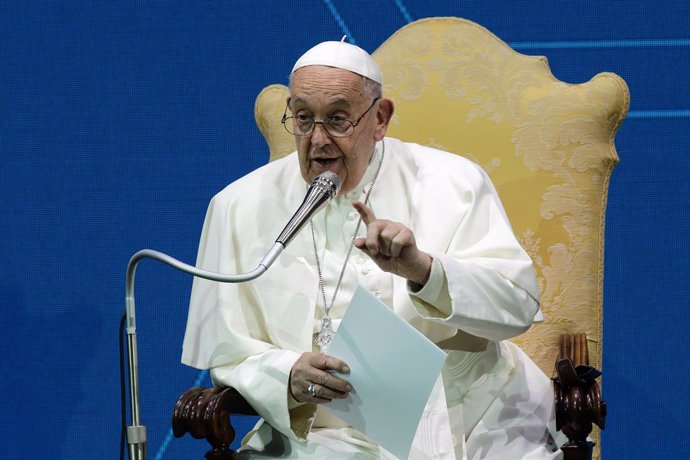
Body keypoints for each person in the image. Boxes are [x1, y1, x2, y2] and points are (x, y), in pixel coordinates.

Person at [182, 40, 564, 459]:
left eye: (338, 119)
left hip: (472, 416)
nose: (318, 140)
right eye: (304, 119)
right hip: (323, 431)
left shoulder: (455, 183)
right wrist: (285, 373)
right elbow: (226, 349)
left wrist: (425, 272)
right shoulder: (237, 206)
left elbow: (518, 306)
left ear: (379, 118)